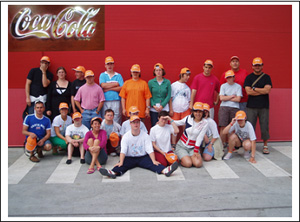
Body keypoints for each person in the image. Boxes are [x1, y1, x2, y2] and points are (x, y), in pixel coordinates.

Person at [99, 115, 179, 179]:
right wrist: (121, 161)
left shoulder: (145, 135)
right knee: (121, 165)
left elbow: (149, 149)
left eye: (137, 122)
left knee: (154, 164)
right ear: (130, 124)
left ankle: (166, 171)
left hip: (142, 157)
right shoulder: (126, 137)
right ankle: (112, 173)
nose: (136, 124)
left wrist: (154, 160)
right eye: (133, 123)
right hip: (130, 157)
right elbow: (123, 150)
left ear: (140, 124)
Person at [244, 57, 272, 154]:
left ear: (262, 66)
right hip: (251, 106)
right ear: (252, 66)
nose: (257, 67)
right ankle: (251, 144)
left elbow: (267, 90)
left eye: (259, 65)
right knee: (250, 126)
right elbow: (248, 92)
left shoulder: (267, 77)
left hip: (264, 106)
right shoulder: (249, 78)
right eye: (255, 65)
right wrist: (261, 91)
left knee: (264, 126)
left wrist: (254, 89)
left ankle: (265, 145)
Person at [173, 102, 208, 168]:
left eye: (200, 112)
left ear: (203, 113)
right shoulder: (188, 118)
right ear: (193, 112)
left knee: (198, 164)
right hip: (182, 146)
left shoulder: (205, 123)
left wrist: (196, 151)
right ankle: (181, 158)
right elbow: (178, 123)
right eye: (196, 112)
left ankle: (188, 157)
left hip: (193, 147)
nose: (198, 114)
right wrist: (169, 121)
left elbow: (200, 137)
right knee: (188, 164)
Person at [218, 70, 242, 147]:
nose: (229, 79)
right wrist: (232, 96)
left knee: (232, 127)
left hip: (234, 108)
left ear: (234, 77)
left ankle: (230, 145)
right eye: (227, 77)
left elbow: (238, 99)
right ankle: (221, 144)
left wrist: (226, 97)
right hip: (224, 108)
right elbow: (221, 98)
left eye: (230, 77)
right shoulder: (223, 86)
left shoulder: (238, 86)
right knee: (223, 126)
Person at [170, 67, 192, 147]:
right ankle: (173, 144)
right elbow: (170, 98)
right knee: (174, 128)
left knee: (186, 128)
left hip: (185, 110)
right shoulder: (173, 85)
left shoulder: (187, 88)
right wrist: (171, 109)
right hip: (175, 110)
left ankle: (185, 144)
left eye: (189, 75)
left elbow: (189, 100)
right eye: (186, 75)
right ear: (181, 75)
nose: (188, 77)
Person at [99, 56, 124, 125]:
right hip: (105, 100)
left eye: (111, 64)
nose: (109, 66)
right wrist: (115, 84)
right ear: (105, 65)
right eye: (108, 64)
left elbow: (121, 88)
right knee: (105, 118)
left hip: (116, 100)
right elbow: (103, 85)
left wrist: (109, 88)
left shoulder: (118, 75)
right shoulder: (102, 75)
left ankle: (115, 134)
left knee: (117, 117)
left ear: (113, 65)